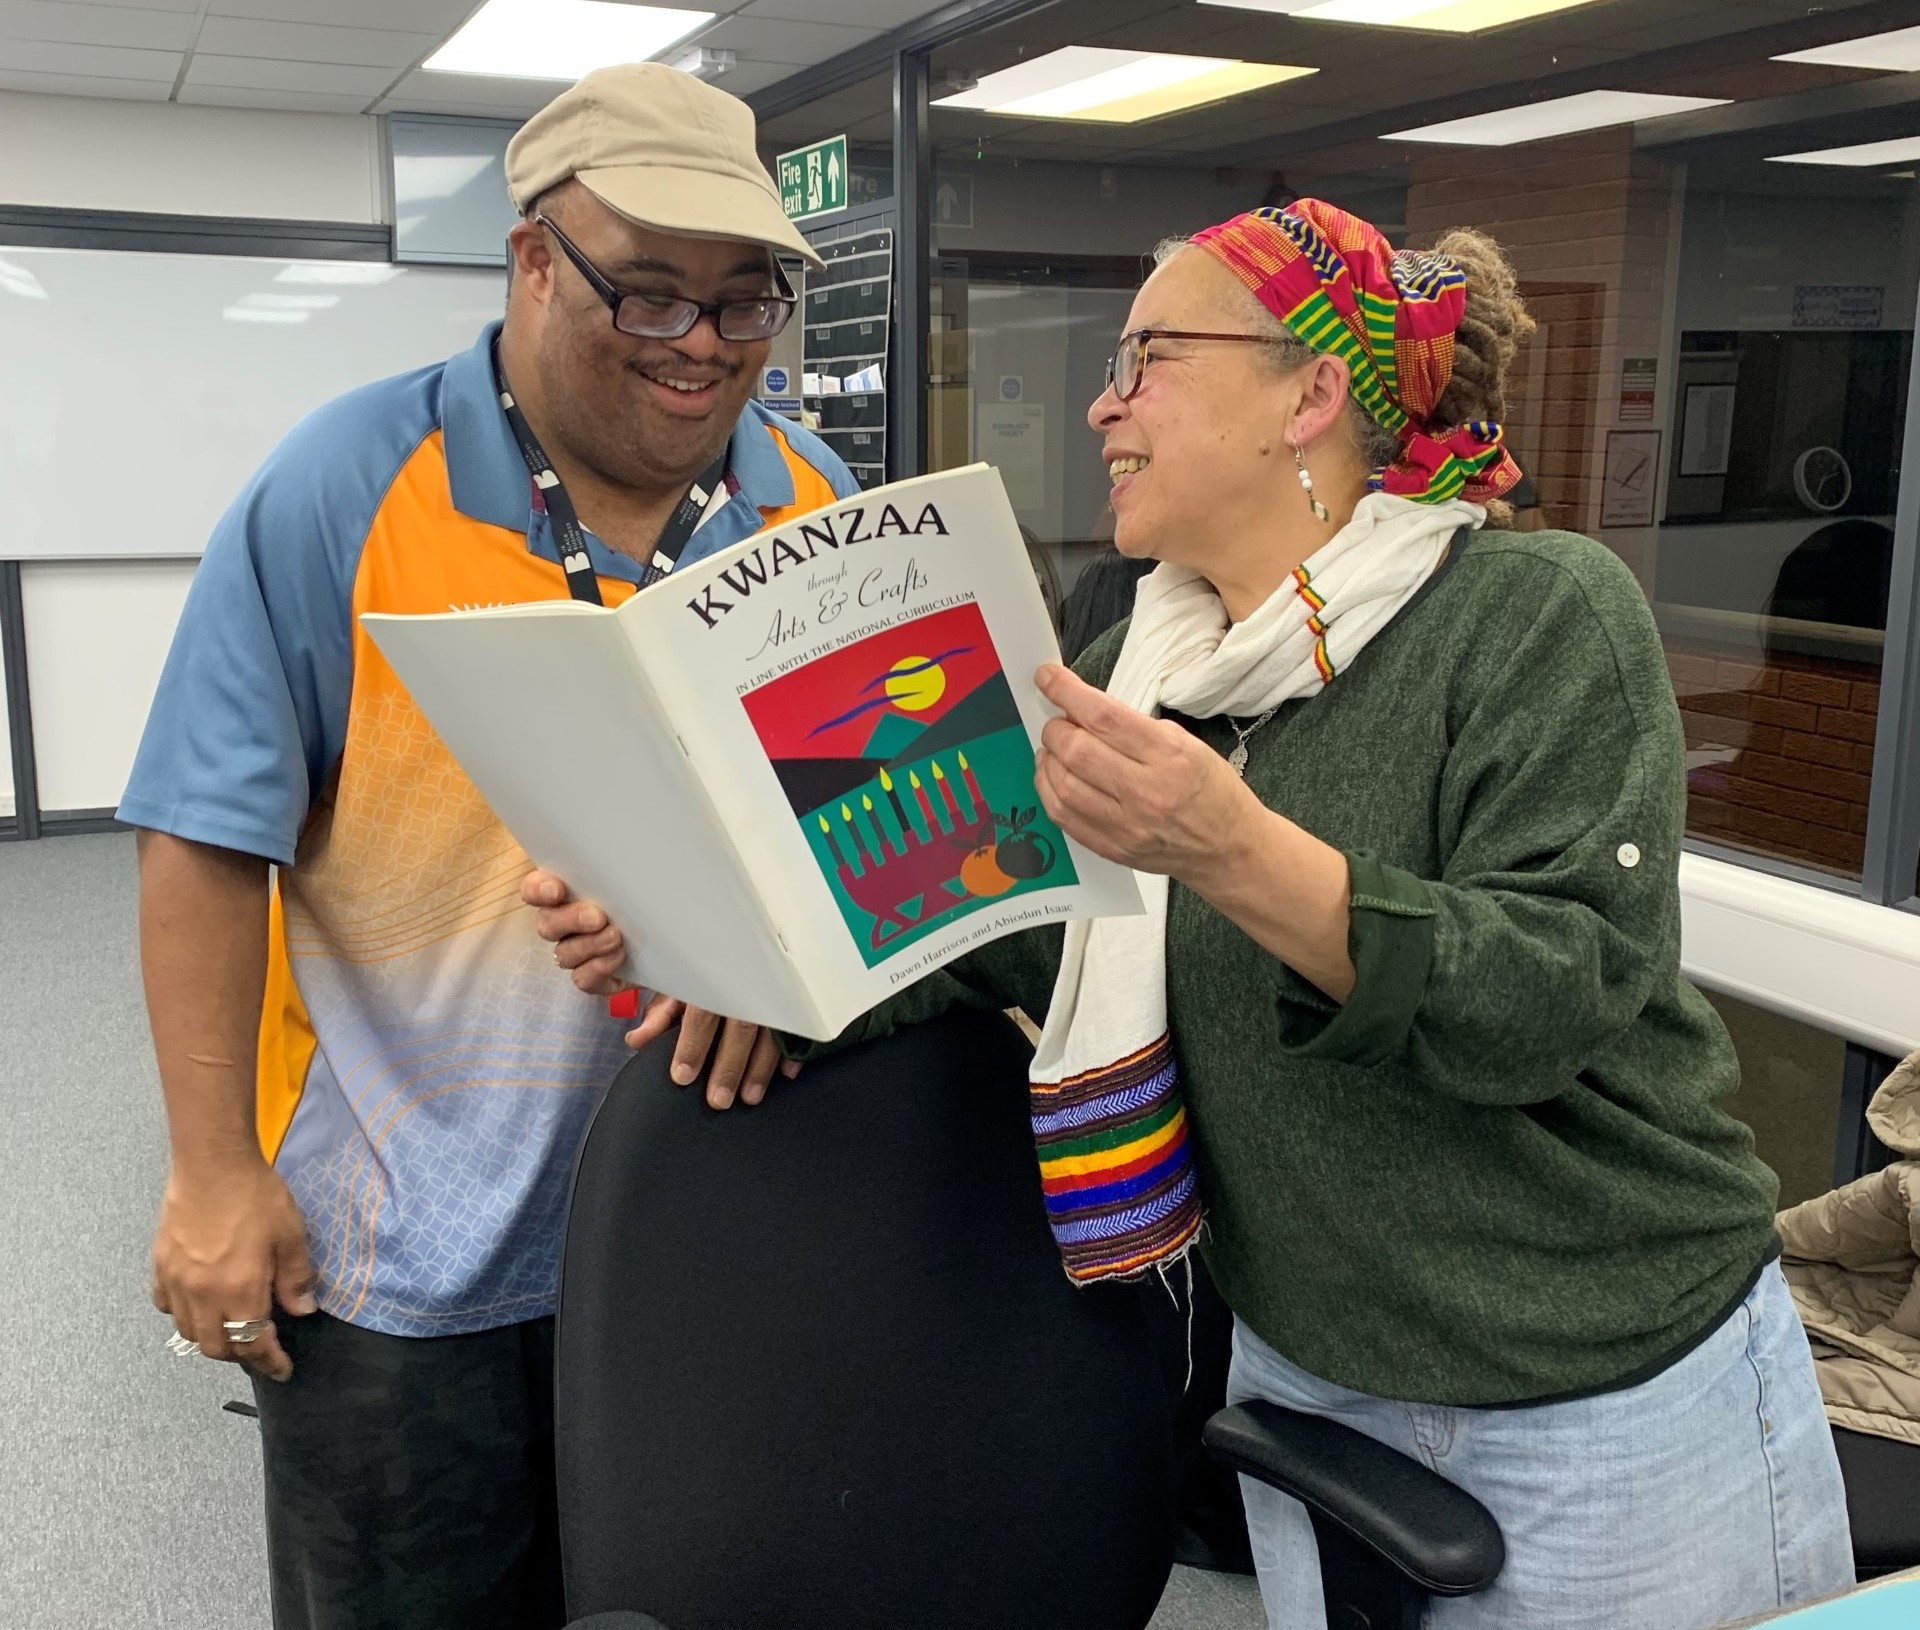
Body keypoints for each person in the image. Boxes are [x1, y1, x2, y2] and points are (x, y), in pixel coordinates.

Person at [550, 201, 1856, 1628]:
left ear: (1307, 395)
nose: (1105, 400)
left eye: (1150, 355)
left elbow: (1547, 997)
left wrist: (1235, 851)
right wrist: (700, 932)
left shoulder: (1538, 614)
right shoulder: (1142, 661)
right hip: (1305, 1374)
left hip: (1600, 1390)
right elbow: (985, 915)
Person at [123, 62, 852, 1630]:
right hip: (403, 1264)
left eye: (745, 304)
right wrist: (208, 1172)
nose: (703, 349)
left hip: (708, 1238)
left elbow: (846, 829)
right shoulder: (345, 485)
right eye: (648, 295)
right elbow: (200, 836)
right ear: (533, 259)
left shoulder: (812, 498)